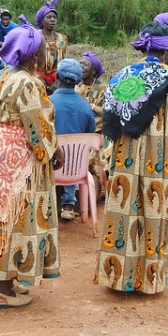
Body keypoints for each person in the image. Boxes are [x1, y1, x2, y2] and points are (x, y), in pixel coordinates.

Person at [0, 15, 64, 310]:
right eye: (40, 50)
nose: (43, 54)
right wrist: (53, 151)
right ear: (34, 53)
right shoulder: (28, 83)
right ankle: (2, 289)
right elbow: (37, 127)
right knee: (15, 219)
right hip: (17, 160)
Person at [94, 22, 168, 294]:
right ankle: (149, 280)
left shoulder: (121, 76)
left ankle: (118, 278)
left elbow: (107, 122)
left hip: (124, 154)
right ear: (167, 49)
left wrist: (108, 159)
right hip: (162, 158)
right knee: (156, 216)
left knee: (124, 214)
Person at [50, 59, 95, 220]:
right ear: (78, 81)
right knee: (74, 154)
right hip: (76, 171)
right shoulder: (85, 106)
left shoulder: (47, 102)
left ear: (57, 77)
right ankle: (68, 204)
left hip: (50, 168)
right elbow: (90, 136)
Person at [76, 51, 107, 198]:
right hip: (79, 133)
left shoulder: (102, 89)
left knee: (93, 166)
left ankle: (94, 193)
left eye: (85, 64)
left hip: (97, 133)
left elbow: (107, 111)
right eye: (80, 63)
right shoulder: (77, 88)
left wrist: (90, 107)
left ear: (93, 70)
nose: (81, 66)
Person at [35, 0, 68, 94]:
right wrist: (38, 79)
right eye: (48, 17)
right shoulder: (36, 36)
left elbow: (63, 61)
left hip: (57, 79)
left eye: (54, 17)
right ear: (41, 20)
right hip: (37, 78)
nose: (52, 19)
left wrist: (58, 80)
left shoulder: (63, 38)